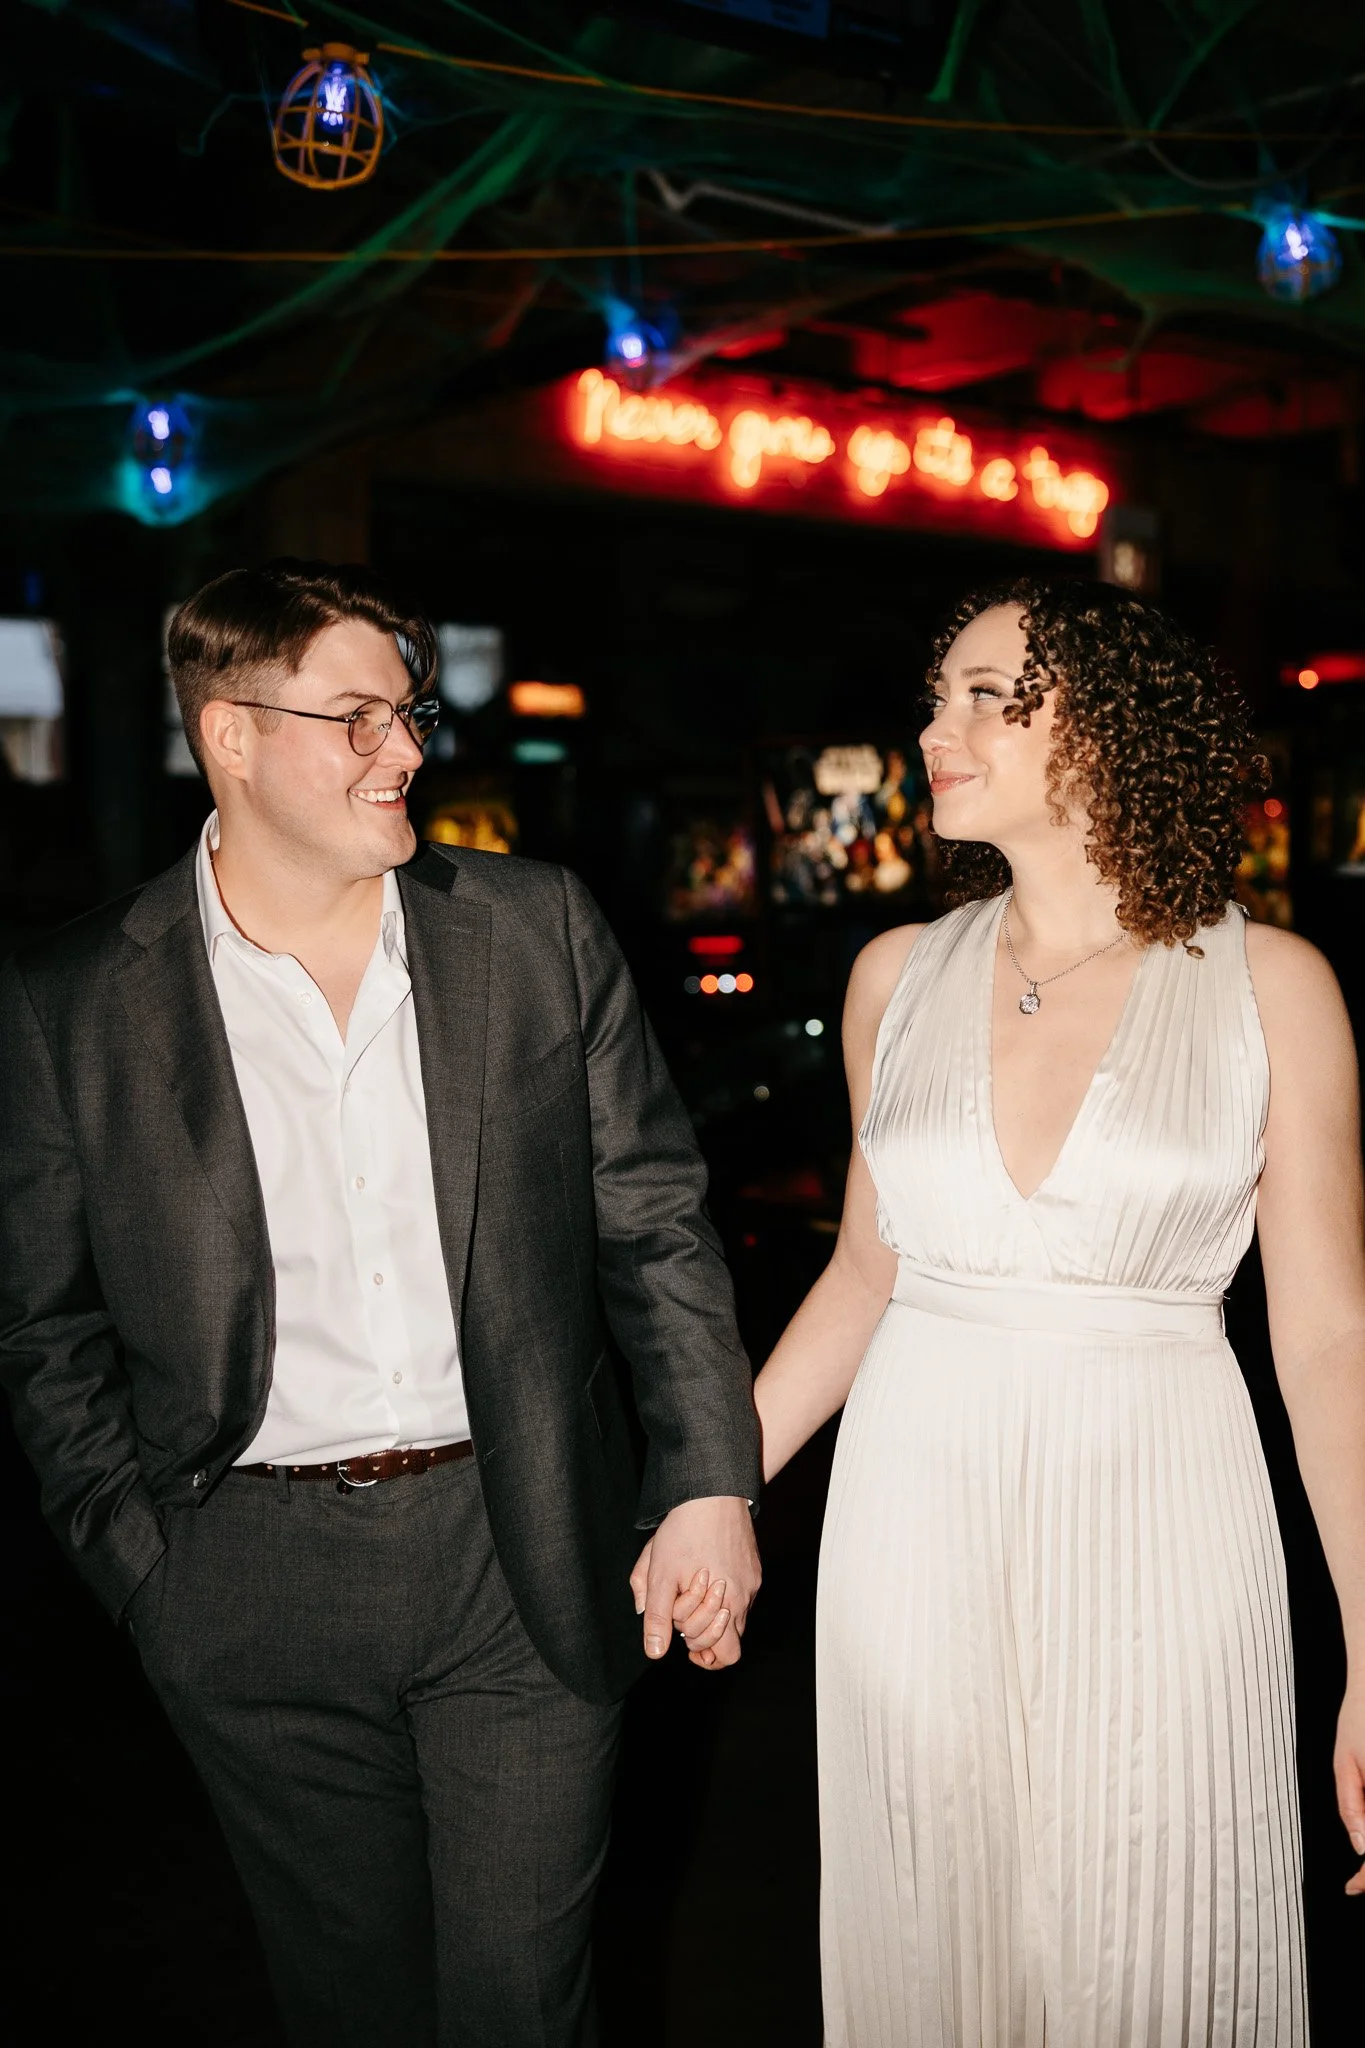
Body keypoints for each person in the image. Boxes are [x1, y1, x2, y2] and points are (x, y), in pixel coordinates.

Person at [0, 559, 761, 2047]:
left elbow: (656, 1222)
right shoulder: (74, 997)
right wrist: (155, 1576)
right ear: (230, 734)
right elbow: (45, 1328)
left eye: (405, 714)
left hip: (519, 1548)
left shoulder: (533, 930)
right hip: (248, 1578)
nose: (407, 750)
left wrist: (708, 1480)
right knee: (348, 2005)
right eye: (355, 720)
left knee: (518, 2006)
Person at [752, 579, 1365, 2045]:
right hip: (914, 1523)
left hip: (1162, 1520)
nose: (933, 726)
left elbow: (1330, 1342)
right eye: (936, 693)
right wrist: (702, 1488)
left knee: (1152, 1940)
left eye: (981, 693)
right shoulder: (891, 978)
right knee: (932, 1936)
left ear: (1097, 729)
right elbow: (861, 1273)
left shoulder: (1272, 986)